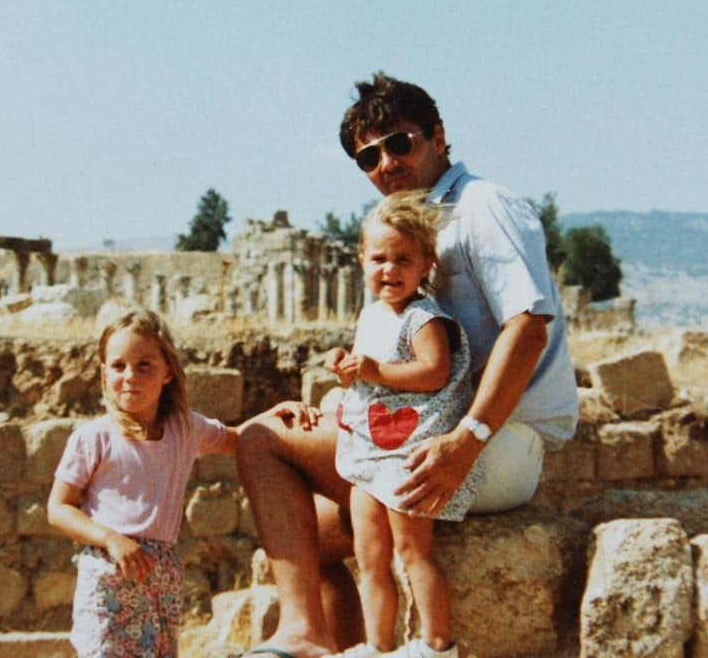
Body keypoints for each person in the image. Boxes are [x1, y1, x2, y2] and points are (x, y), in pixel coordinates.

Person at [237, 72, 579, 658]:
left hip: (495, 441)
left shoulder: (482, 207)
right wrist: (334, 404)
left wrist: (467, 440)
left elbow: (527, 327)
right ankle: (345, 646)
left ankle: (302, 634)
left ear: (438, 137)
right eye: (368, 156)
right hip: (436, 431)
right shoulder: (412, 234)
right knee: (310, 533)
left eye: (400, 143)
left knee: (259, 441)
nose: (386, 163)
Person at [47, 307, 318, 658]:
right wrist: (111, 539)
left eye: (144, 364)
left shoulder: (184, 429)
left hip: (161, 577)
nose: (130, 375)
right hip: (109, 573)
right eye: (118, 365)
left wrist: (279, 412)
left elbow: (239, 438)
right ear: (104, 373)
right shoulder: (93, 438)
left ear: (168, 373)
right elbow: (58, 508)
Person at [327, 191, 472, 658]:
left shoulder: (424, 317)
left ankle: (436, 644)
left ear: (426, 263)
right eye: (379, 259)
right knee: (369, 557)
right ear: (361, 260)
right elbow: (368, 370)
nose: (389, 270)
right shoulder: (371, 314)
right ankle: (377, 645)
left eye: (402, 259)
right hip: (371, 449)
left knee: (412, 551)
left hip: (407, 451)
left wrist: (374, 371)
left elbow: (434, 372)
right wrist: (346, 365)